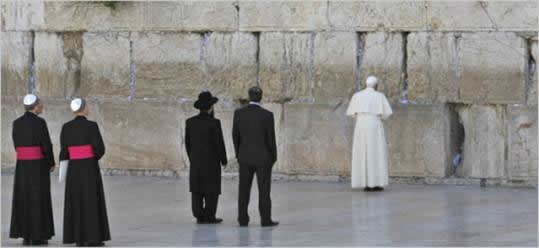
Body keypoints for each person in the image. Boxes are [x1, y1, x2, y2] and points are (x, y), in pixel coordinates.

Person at [59, 98, 110, 247]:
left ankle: (78, 238)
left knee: (76, 200)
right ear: (83, 108)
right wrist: (92, 157)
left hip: (74, 169)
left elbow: (64, 152)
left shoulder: (66, 127)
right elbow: (100, 149)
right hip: (89, 168)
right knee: (91, 200)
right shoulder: (92, 126)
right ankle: (93, 238)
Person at [9, 94, 55, 246]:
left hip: (22, 166)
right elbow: (46, 145)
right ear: (35, 107)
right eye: (40, 104)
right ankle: (38, 236)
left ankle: (26, 236)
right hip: (38, 166)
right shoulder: (40, 122)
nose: (42, 106)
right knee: (38, 199)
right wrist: (51, 163)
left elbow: (16, 145)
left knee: (24, 198)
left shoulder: (16, 123)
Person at [233, 87, 278, 227]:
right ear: (261, 97)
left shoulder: (239, 113)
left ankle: (242, 219)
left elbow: (235, 135)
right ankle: (265, 219)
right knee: (264, 190)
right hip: (264, 158)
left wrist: (239, 153)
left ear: (249, 96)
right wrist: (273, 157)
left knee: (243, 189)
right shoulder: (267, 115)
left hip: (245, 157)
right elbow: (271, 139)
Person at [185, 91, 228, 224]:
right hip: (211, 163)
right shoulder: (214, 123)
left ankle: (198, 215)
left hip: (196, 162)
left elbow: (188, 144)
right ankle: (209, 216)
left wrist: (192, 158)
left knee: (197, 189)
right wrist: (224, 160)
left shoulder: (190, 122)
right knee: (211, 190)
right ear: (210, 107)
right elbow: (219, 143)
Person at [346, 76, 393, 191]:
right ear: (376, 85)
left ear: (365, 84)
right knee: (376, 153)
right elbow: (386, 114)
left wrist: (362, 117)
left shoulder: (356, 96)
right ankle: (376, 183)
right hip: (375, 125)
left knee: (362, 153)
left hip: (360, 126)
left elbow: (352, 113)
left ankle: (366, 183)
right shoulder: (380, 96)